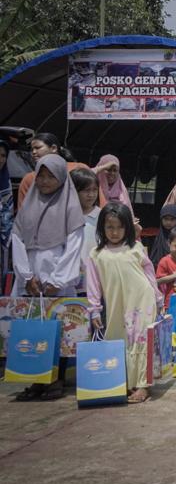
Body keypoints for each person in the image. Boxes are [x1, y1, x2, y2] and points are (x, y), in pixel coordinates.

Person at [11, 154, 86, 401]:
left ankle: (57, 379)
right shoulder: (27, 206)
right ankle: (36, 378)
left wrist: (58, 280)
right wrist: (26, 276)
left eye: (50, 176)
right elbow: (18, 240)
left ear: (61, 177)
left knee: (60, 329)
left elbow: (74, 245)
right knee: (32, 328)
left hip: (58, 279)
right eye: (40, 175)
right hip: (30, 279)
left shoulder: (70, 207)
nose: (44, 181)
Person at [85, 201, 162, 403]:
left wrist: (158, 297)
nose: (115, 232)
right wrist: (94, 310)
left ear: (127, 227)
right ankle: (122, 383)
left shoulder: (136, 248)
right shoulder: (95, 254)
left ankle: (143, 385)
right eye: (110, 227)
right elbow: (93, 286)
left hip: (142, 301)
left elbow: (150, 274)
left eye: (120, 227)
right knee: (117, 339)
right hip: (115, 306)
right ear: (101, 227)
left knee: (141, 339)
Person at [17, 133, 96, 207]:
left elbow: (98, 200)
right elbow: (23, 211)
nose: (33, 152)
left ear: (54, 148)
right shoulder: (29, 178)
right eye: (32, 149)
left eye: (38, 148)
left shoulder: (79, 168)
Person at [70, 168, 102, 282]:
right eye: (86, 190)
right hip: (69, 276)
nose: (91, 195)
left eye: (95, 190)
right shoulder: (65, 216)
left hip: (94, 276)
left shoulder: (103, 216)